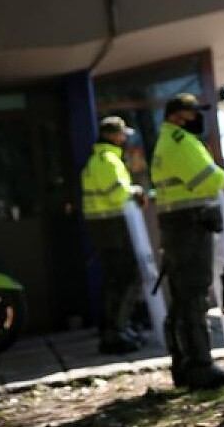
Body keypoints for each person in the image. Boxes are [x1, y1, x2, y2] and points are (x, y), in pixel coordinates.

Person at [150, 92, 224, 390]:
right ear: (177, 116)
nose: (198, 118)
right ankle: (201, 369)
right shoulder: (180, 142)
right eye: (193, 113)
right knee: (193, 296)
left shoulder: (166, 142)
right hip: (189, 227)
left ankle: (184, 366)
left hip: (179, 228)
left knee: (182, 298)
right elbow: (206, 177)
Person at [81, 115, 145, 355]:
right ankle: (117, 331)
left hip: (102, 228)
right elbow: (118, 194)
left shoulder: (96, 160)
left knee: (114, 280)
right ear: (111, 135)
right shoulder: (108, 160)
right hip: (113, 226)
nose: (124, 139)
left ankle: (116, 329)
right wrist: (136, 191)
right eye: (121, 134)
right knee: (126, 278)